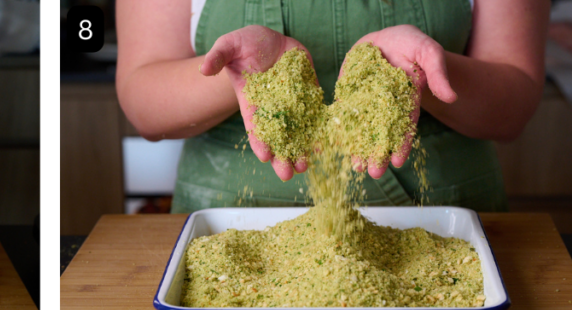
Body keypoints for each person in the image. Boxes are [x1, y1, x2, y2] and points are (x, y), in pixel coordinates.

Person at [115, 0, 548, 214]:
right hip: (233, 220)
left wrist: (420, 75)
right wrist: (241, 75)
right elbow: (142, 101)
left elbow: (516, 102)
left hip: (439, 219)